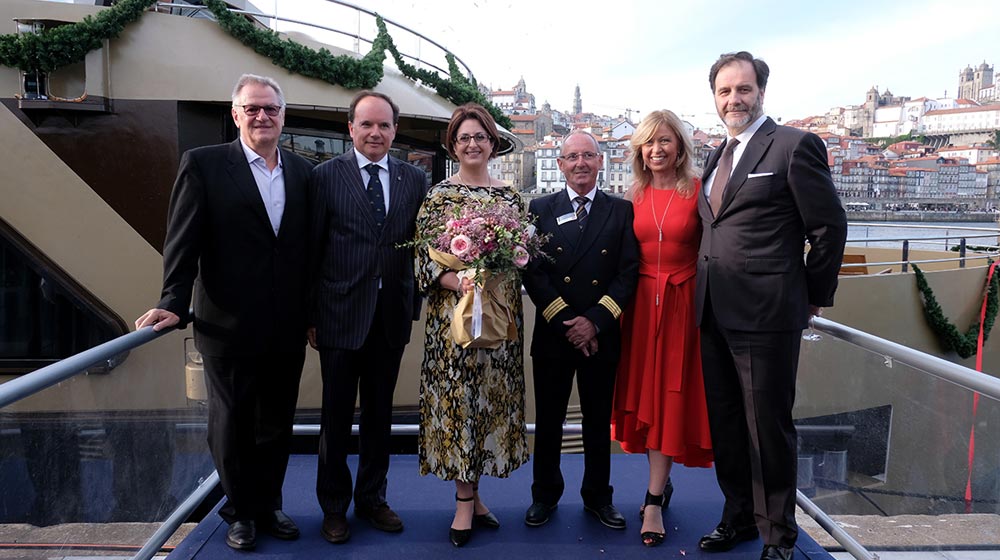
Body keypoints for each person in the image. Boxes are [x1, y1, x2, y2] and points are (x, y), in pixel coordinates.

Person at [135, 74, 312, 551]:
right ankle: (239, 511)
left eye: (270, 109)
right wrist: (172, 302)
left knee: (276, 421)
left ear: (282, 115)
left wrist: (312, 313)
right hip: (226, 324)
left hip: (286, 324)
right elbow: (182, 242)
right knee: (230, 424)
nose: (262, 116)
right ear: (236, 115)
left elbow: (305, 251)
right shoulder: (204, 165)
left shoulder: (302, 171)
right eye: (252, 109)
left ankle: (270, 504)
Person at [694, 51, 847, 560]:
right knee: (728, 425)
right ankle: (737, 515)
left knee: (768, 429)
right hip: (712, 311)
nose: (733, 99)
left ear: (761, 90)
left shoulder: (793, 145)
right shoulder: (717, 155)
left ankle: (778, 535)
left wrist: (811, 296)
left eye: (743, 89)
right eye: (723, 91)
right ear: (714, 98)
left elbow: (828, 228)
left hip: (766, 315)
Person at [308, 90, 427, 545]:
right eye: (367, 124)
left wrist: (412, 304)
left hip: (391, 316)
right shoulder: (324, 177)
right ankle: (334, 508)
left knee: (379, 416)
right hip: (339, 315)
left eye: (384, 125)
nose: (375, 133)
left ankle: (372, 499)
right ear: (350, 129)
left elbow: (421, 248)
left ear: (395, 131)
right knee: (335, 417)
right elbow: (312, 250)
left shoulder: (414, 179)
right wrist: (312, 316)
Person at [414, 103, 530, 547]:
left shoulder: (511, 198)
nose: (472, 144)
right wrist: (458, 278)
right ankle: (464, 500)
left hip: (499, 318)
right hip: (454, 319)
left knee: (488, 402)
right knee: (459, 399)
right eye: (464, 138)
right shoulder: (439, 196)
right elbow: (423, 259)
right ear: (453, 145)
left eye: (480, 136)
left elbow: (521, 258)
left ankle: (476, 494)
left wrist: (498, 269)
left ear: (492, 142)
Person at [522, 131, 639, 530]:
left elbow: (627, 274)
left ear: (601, 161)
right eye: (572, 157)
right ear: (560, 165)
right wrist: (566, 321)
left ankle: (597, 497)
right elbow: (533, 272)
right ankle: (544, 496)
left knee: (596, 421)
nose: (581, 163)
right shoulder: (539, 208)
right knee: (549, 421)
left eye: (588, 155)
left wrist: (595, 321)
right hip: (556, 332)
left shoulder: (620, 211)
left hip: (600, 334)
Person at [611, 110, 713, 547]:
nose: (657, 149)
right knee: (645, 398)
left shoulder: (700, 193)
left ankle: (653, 499)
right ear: (639, 150)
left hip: (681, 307)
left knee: (670, 398)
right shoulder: (632, 195)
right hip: (638, 311)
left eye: (665, 141)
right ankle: (658, 486)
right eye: (649, 142)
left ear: (680, 146)